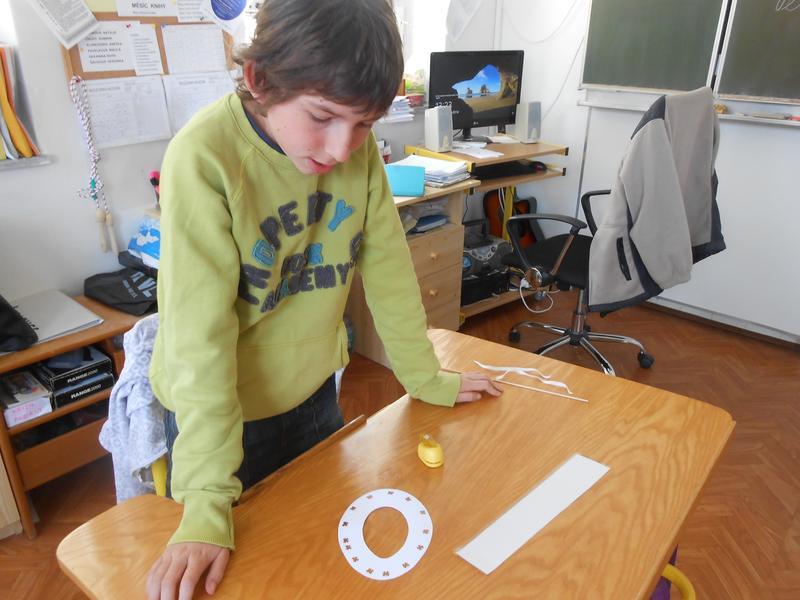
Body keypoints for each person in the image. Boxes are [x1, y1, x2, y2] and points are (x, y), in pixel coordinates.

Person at [145, 1, 502, 598]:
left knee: (321, 553)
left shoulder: (356, 152)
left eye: (364, 124)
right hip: (222, 418)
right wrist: (206, 498)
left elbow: (390, 273)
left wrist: (424, 376)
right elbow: (198, 339)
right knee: (247, 577)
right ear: (260, 80)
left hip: (313, 393)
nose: (342, 148)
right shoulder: (204, 157)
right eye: (323, 117)